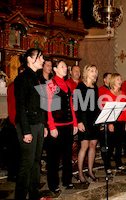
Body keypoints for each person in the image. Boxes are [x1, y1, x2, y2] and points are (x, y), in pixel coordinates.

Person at [14, 48, 47, 200]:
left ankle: (34, 194)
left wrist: (45, 125)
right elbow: (20, 107)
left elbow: (43, 103)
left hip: (39, 124)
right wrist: (26, 131)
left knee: (36, 162)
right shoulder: (22, 78)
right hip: (28, 126)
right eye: (40, 57)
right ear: (29, 59)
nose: (43, 60)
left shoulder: (39, 77)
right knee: (26, 165)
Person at [46, 60, 78, 194]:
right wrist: (51, 126)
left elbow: (71, 105)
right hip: (56, 127)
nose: (66, 69)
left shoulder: (67, 85)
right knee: (53, 158)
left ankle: (67, 180)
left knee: (67, 155)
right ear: (55, 69)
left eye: (66, 66)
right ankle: (53, 184)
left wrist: (75, 123)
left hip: (68, 125)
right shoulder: (50, 84)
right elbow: (47, 108)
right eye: (62, 66)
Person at [76, 64, 100, 184]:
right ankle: (80, 173)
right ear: (86, 72)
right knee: (84, 147)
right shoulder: (80, 86)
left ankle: (90, 171)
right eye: (91, 71)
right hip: (84, 119)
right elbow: (76, 106)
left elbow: (96, 106)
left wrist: (100, 120)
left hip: (94, 119)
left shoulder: (95, 87)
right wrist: (79, 121)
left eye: (95, 71)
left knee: (93, 146)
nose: (94, 73)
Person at [101, 73, 126, 175]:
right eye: (118, 79)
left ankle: (119, 164)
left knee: (119, 145)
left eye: (120, 79)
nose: (120, 81)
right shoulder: (107, 94)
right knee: (110, 145)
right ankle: (107, 166)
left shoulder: (122, 93)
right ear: (113, 81)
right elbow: (106, 110)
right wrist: (109, 124)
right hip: (112, 122)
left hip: (121, 122)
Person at [6, 66, 25, 182]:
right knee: (15, 151)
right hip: (15, 122)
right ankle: (13, 174)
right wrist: (16, 123)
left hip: (23, 122)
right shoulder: (13, 86)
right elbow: (12, 107)